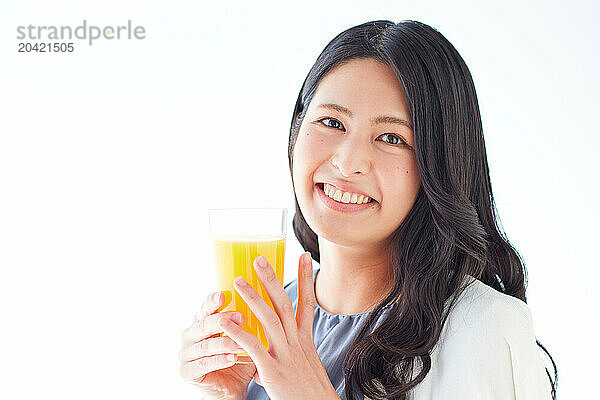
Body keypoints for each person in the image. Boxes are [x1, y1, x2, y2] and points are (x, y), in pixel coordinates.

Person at [179, 20, 558, 400]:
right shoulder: (273, 321)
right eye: (331, 122)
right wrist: (230, 394)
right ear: (296, 131)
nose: (348, 162)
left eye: (391, 138)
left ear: (439, 164)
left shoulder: (482, 326)